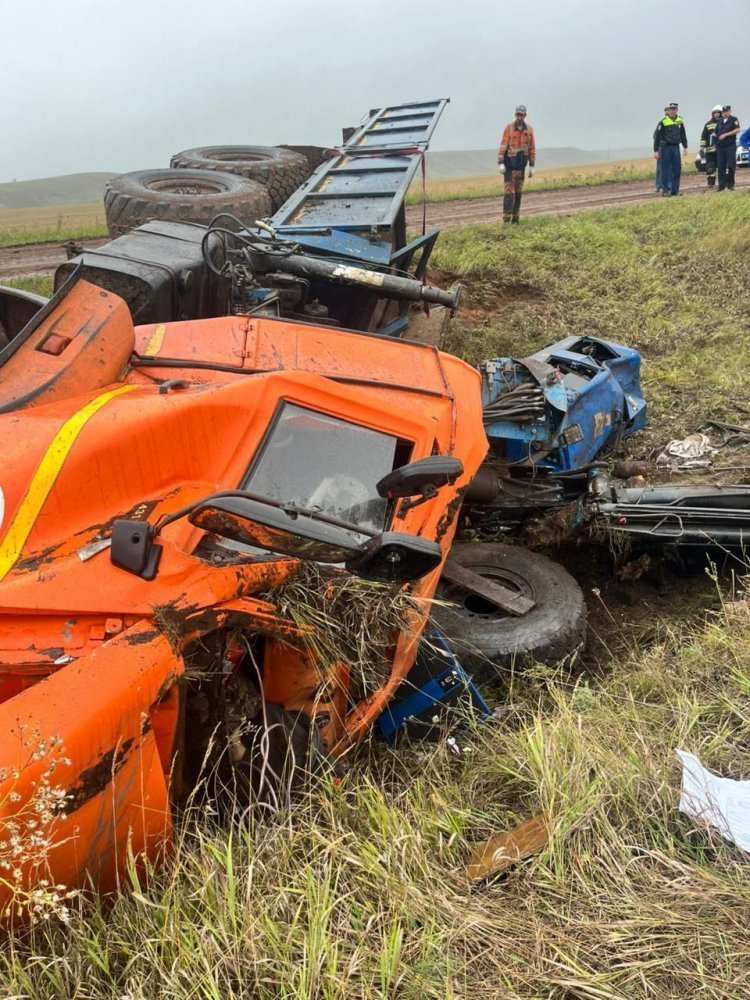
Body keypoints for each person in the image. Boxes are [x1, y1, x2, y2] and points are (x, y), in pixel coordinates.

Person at [497, 105, 536, 224]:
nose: (519, 117)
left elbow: (532, 148)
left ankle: (515, 219)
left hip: (521, 166)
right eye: (518, 114)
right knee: (509, 194)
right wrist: (501, 163)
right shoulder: (509, 128)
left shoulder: (529, 130)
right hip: (509, 166)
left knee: (518, 193)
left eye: (522, 114)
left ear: (525, 115)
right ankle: (506, 220)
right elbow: (503, 145)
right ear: (515, 114)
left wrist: (532, 165)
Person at [653, 102, 688, 196]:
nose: (672, 111)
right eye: (671, 109)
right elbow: (657, 137)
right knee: (665, 169)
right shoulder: (663, 122)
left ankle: (675, 191)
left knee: (677, 169)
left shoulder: (680, 121)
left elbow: (683, 134)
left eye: (674, 109)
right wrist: (656, 150)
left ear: (677, 110)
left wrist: (685, 147)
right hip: (665, 148)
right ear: (668, 111)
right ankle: (665, 191)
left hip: (675, 147)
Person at [716, 104, 741, 191]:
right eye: (723, 112)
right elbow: (716, 132)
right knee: (720, 166)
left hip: (730, 146)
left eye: (727, 111)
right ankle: (721, 186)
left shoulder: (734, 119)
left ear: (730, 111)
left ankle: (730, 185)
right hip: (720, 147)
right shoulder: (719, 121)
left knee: (730, 165)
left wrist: (726, 134)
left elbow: (738, 130)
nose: (725, 113)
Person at [699, 106, 722, 188]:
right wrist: (702, 147)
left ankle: (723, 183)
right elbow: (703, 137)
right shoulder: (708, 124)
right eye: (715, 113)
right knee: (710, 168)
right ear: (712, 114)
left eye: (718, 112)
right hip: (710, 150)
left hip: (721, 150)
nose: (716, 114)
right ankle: (711, 184)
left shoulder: (724, 123)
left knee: (722, 167)